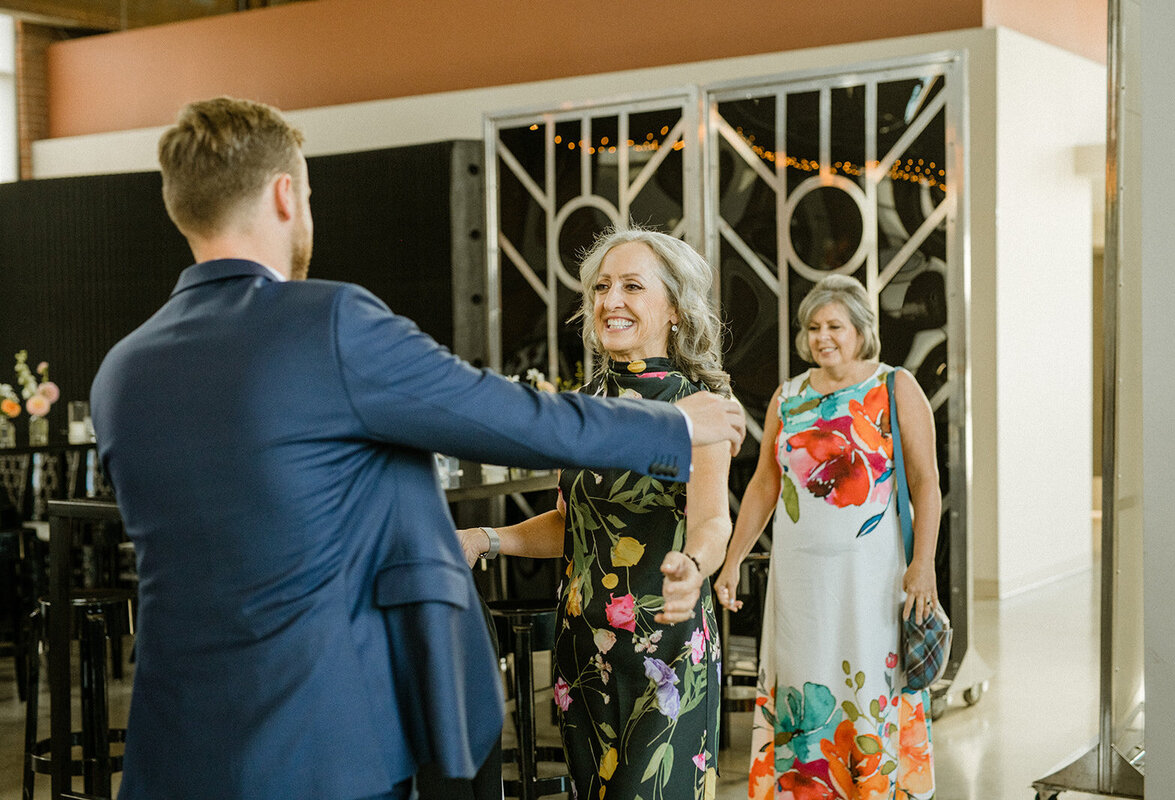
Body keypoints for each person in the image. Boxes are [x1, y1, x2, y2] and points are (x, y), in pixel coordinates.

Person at [89, 97, 746, 800]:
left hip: (174, 739)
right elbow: (504, 414)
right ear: (286, 195)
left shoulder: (122, 371)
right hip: (326, 731)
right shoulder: (332, 323)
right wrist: (672, 427)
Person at [459, 228, 732, 800]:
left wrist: (696, 564)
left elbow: (713, 521)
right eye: (602, 287)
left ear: (676, 310)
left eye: (633, 286)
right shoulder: (580, 409)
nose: (611, 301)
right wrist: (488, 538)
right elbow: (571, 525)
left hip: (667, 646)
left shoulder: (699, 407)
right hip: (584, 651)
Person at [713, 274, 940, 800]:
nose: (822, 337)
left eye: (835, 325)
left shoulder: (894, 386)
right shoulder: (787, 396)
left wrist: (923, 562)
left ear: (861, 330)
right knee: (803, 682)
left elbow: (928, 483)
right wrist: (731, 562)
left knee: (865, 678)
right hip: (800, 581)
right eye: (813, 327)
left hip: (873, 577)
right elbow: (765, 485)